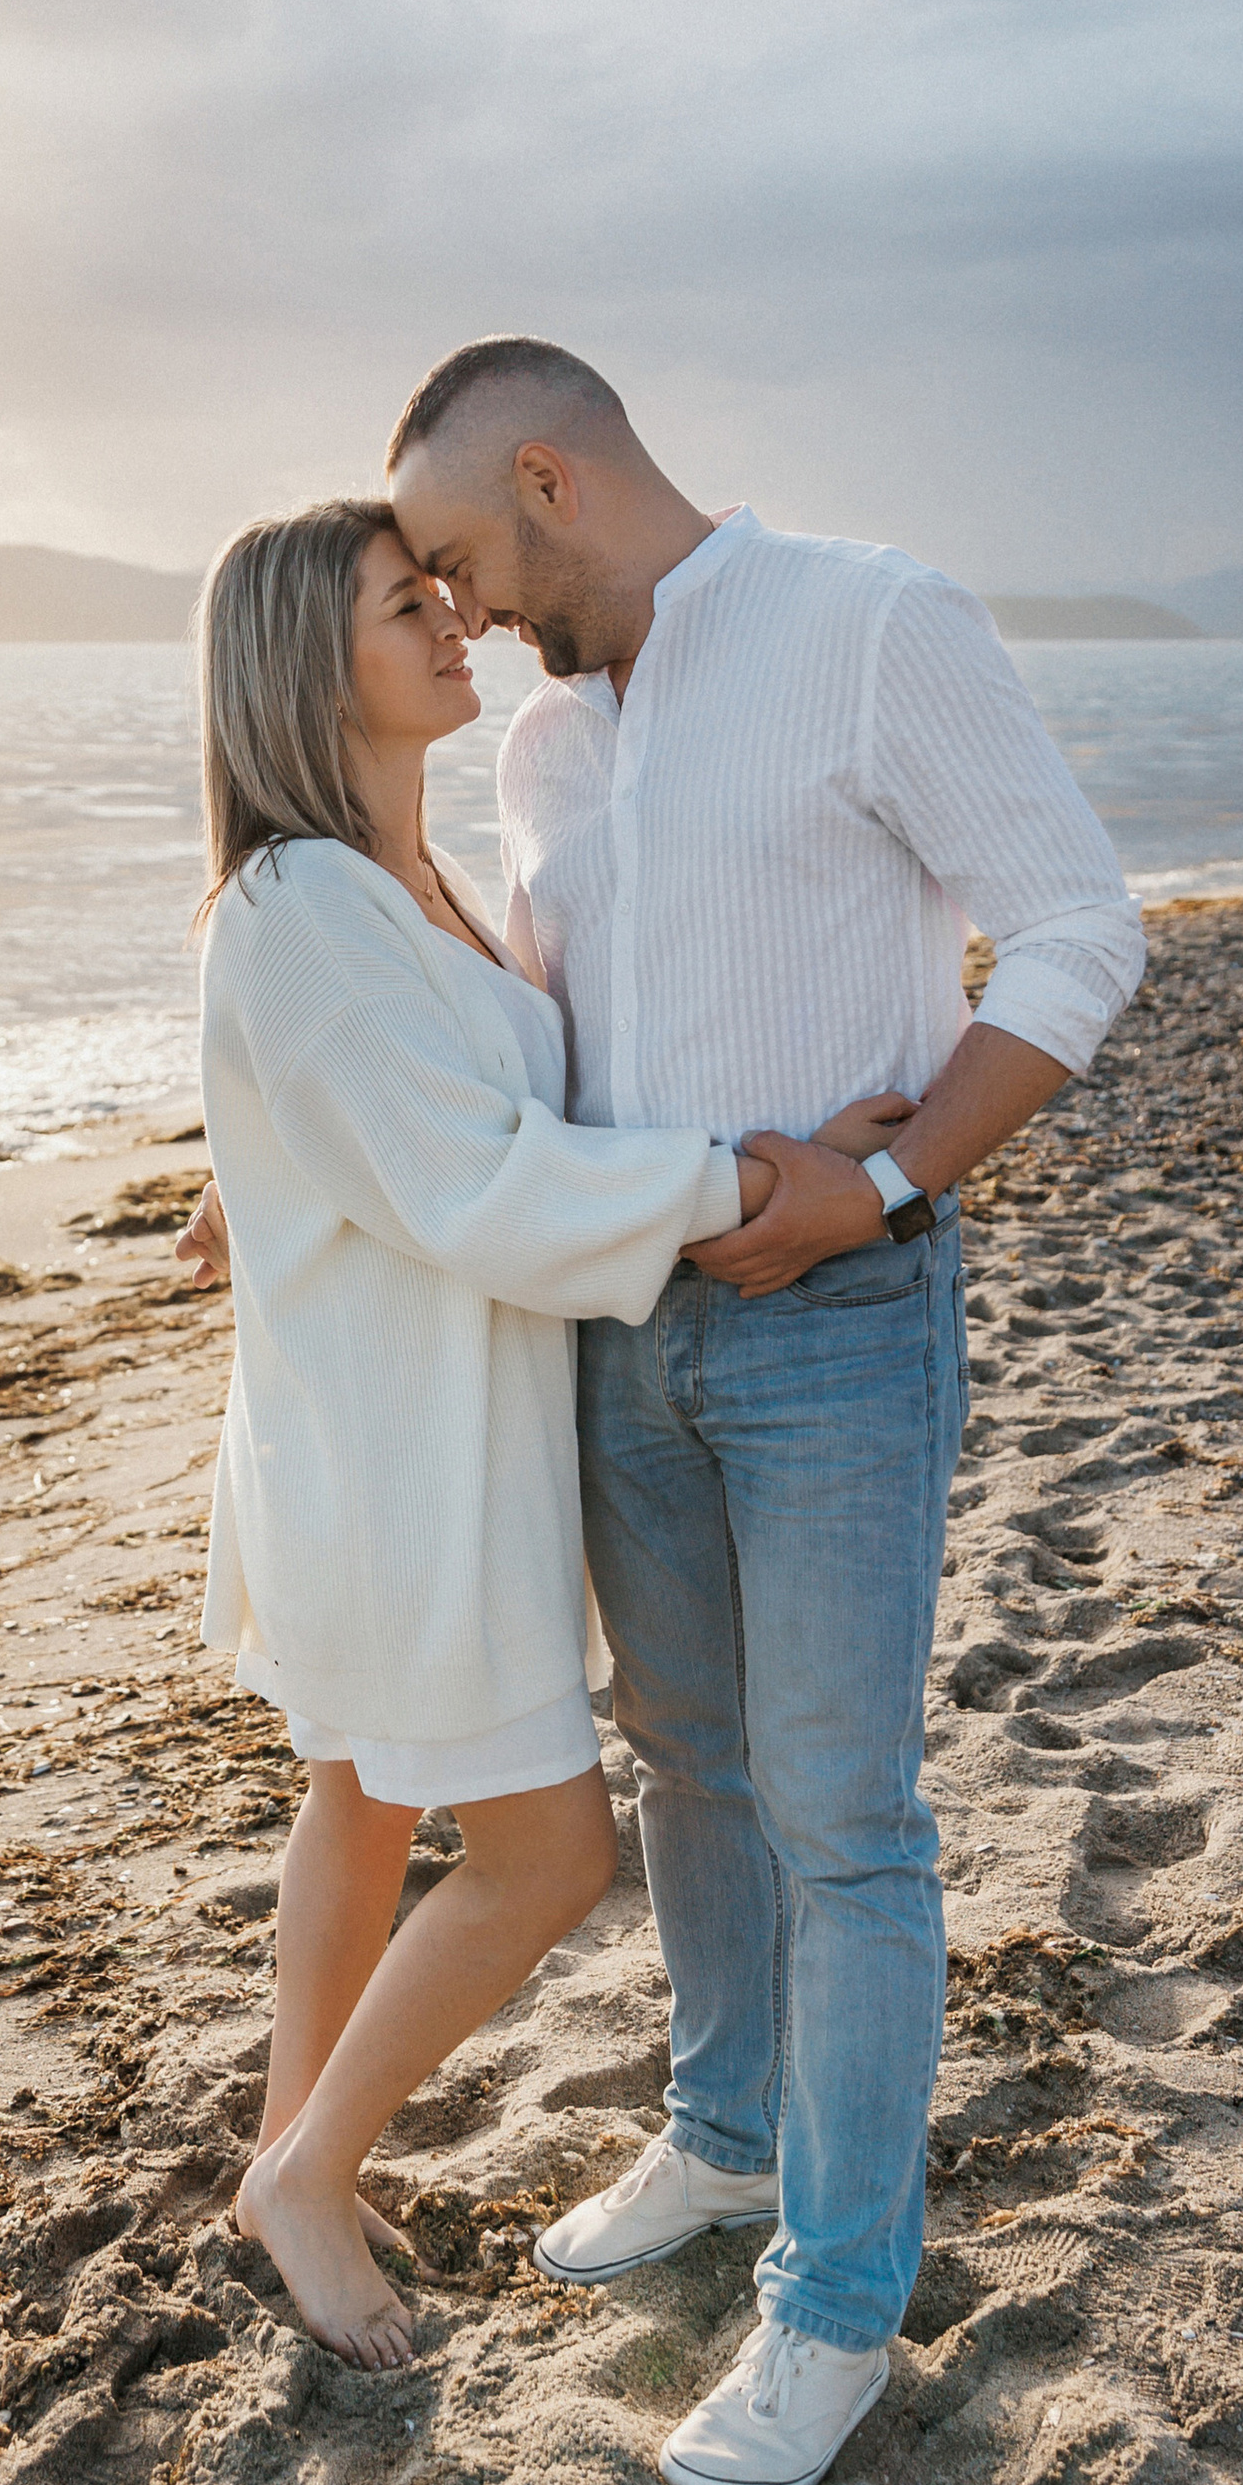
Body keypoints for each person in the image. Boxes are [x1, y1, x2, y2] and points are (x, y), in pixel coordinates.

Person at [377, 335, 1145, 2485]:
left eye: (454, 557)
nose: (454, 611)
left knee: (842, 1816)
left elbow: (1080, 934)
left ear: (546, 477)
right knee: (684, 1766)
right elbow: (547, 1037)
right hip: (620, 1328)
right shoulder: (536, 745)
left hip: (836, 1323)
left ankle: (831, 2300)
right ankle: (720, 2140)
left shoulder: (865, 621)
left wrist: (880, 1179)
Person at [185, 497, 910, 2374]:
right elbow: (469, 1176)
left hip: (417, 1428)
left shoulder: (399, 884)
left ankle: (295, 2154)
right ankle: (306, 2173)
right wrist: (742, 1175)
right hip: (400, 1467)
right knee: (546, 1856)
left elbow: (418, 1098)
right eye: (396, 603)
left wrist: (249, 1160)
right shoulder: (302, 907)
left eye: (442, 589)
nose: (450, 619)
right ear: (295, 663)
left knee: (355, 1801)